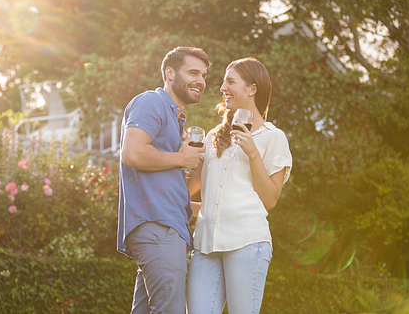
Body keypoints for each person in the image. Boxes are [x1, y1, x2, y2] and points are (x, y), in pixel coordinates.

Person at [186, 57, 292, 314]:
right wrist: (182, 157)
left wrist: (252, 152)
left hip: (247, 243)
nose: (222, 87)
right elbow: (190, 188)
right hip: (205, 245)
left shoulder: (272, 137)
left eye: (230, 81)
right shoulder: (213, 136)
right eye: (223, 81)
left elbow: (270, 199)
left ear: (252, 89)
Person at [118, 46, 211, 314]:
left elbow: (170, 189)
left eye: (204, 76)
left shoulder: (177, 120)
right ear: (169, 73)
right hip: (157, 226)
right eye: (193, 72)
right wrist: (182, 160)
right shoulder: (151, 102)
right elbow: (132, 153)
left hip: (167, 226)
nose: (201, 81)